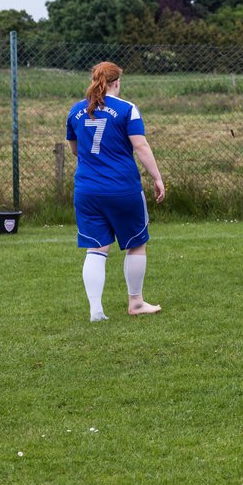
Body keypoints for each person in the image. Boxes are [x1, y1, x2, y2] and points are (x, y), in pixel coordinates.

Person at [66, 62, 165, 321]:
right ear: (116, 82)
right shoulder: (126, 109)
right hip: (122, 188)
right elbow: (140, 146)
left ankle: (95, 310)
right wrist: (157, 177)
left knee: (96, 249)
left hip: (87, 190)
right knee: (136, 245)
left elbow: (75, 150)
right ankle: (136, 303)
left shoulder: (76, 110)